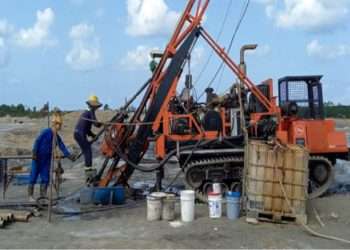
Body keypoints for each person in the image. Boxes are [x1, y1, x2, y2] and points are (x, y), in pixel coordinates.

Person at [28, 113, 74, 201]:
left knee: (45, 178)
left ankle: (43, 196)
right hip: (37, 158)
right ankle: (30, 196)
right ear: (55, 124)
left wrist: (69, 155)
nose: (60, 127)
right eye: (59, 125)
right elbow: (37, 141)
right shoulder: (46, 132)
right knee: (33, 176)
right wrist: (34, 152)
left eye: (60, 125)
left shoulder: (57, 137)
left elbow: (62, 146)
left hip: (46, 160)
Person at [74, 95, 102, 181]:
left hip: (78, 133)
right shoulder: (90, 112)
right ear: (93, 105)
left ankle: (88, 171)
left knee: (87, 150)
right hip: (80, 134)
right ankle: (88, 173)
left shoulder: (86, 113)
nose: (96, 108)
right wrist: (101, 124)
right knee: (88, 151)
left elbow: (87, 129)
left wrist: (93, 135)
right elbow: (95, 124)